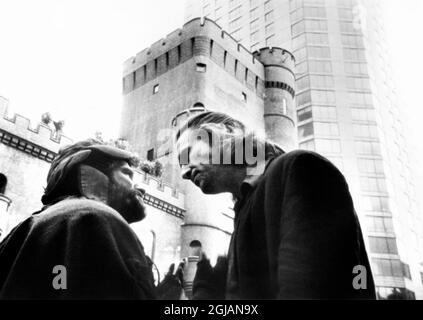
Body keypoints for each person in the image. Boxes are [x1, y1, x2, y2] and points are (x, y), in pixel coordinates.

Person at [176, 111, 376, 300]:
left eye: (187, 154)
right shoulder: (246, 209)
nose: (184, 172)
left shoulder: (299, 169)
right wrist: (208, 287)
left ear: (225, 133)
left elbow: (312, 291)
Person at [0, 139, 182, 299]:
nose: (140, 188)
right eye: (127, 174)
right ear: (91, 175)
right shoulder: (98, 219)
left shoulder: (20, 232)